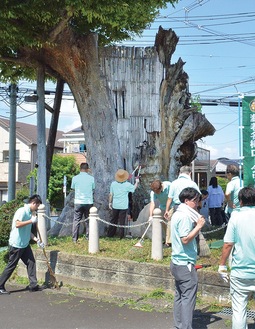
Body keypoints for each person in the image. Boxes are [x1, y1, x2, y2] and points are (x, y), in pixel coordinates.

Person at [218, 187, 255, 329]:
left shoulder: (236, 216)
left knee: (239, 310)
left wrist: (222, 265)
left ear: (240, 201)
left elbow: (228, 244)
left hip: (240, 272)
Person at [170, 187, 205, 329]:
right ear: (186, 201)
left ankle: (179, 325)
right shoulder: (185, 216)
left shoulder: (178, 213)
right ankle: (185, 326)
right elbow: (185, 239)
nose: (197, 203)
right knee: (188, 298)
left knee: (179, 296)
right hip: (185, 263)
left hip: (177, 261)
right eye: (195, 201)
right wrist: (199, 226)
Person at [0, 194, 44, 294]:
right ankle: (0, 285)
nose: (37, 208)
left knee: (31, 262)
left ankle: (33, 285)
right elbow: (18, 224)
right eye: (37, 206)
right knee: (11, 266)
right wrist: (30, 221)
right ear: (33, 203)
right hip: (16, 244)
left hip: (24, 244)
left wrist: (37, 240)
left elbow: (27, 231)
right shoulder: (22, 211)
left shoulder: (29, 213)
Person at [108, 169, 139, 239]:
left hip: (115, 205)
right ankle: (121, 236)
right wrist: (137, 182)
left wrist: (110, 202)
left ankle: (110, 234)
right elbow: (134, 188)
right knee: (122, 221)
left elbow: (111, 194)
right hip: (123, 206)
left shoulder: (113, 184)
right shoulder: (127, 185)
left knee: (113, 219)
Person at [71, 162, 95, 243]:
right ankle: (89, 237)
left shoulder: (75, 178)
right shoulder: (91, 178)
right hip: (88, 201)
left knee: (76, 220)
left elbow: (73, 187)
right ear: (87, 169)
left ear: (80, 169)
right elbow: (93, 188)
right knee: (88, 220)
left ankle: (74, 239)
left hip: (78, 201)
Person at [149, 179, 171, 247]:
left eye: (158, 192)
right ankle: (166, 239)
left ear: (161, 186)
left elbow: (170, 198)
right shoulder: (153, 192)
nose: (157, 193)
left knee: (169, 222)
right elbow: (152, 203)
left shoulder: (169, 186)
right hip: (162, 206)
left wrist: (167, 210)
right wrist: (150, 216)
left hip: (171, 205)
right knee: (164, 223)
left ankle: (169, 242)